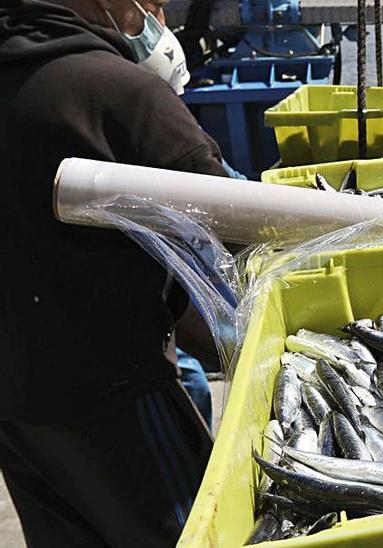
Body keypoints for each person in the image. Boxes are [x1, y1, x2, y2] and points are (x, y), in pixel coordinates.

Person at [0, 0, 227, 545]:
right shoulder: (119, 92)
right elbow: (237, 230)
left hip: (17, 413)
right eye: (147, 0)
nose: (156, 12)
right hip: (118, 400)